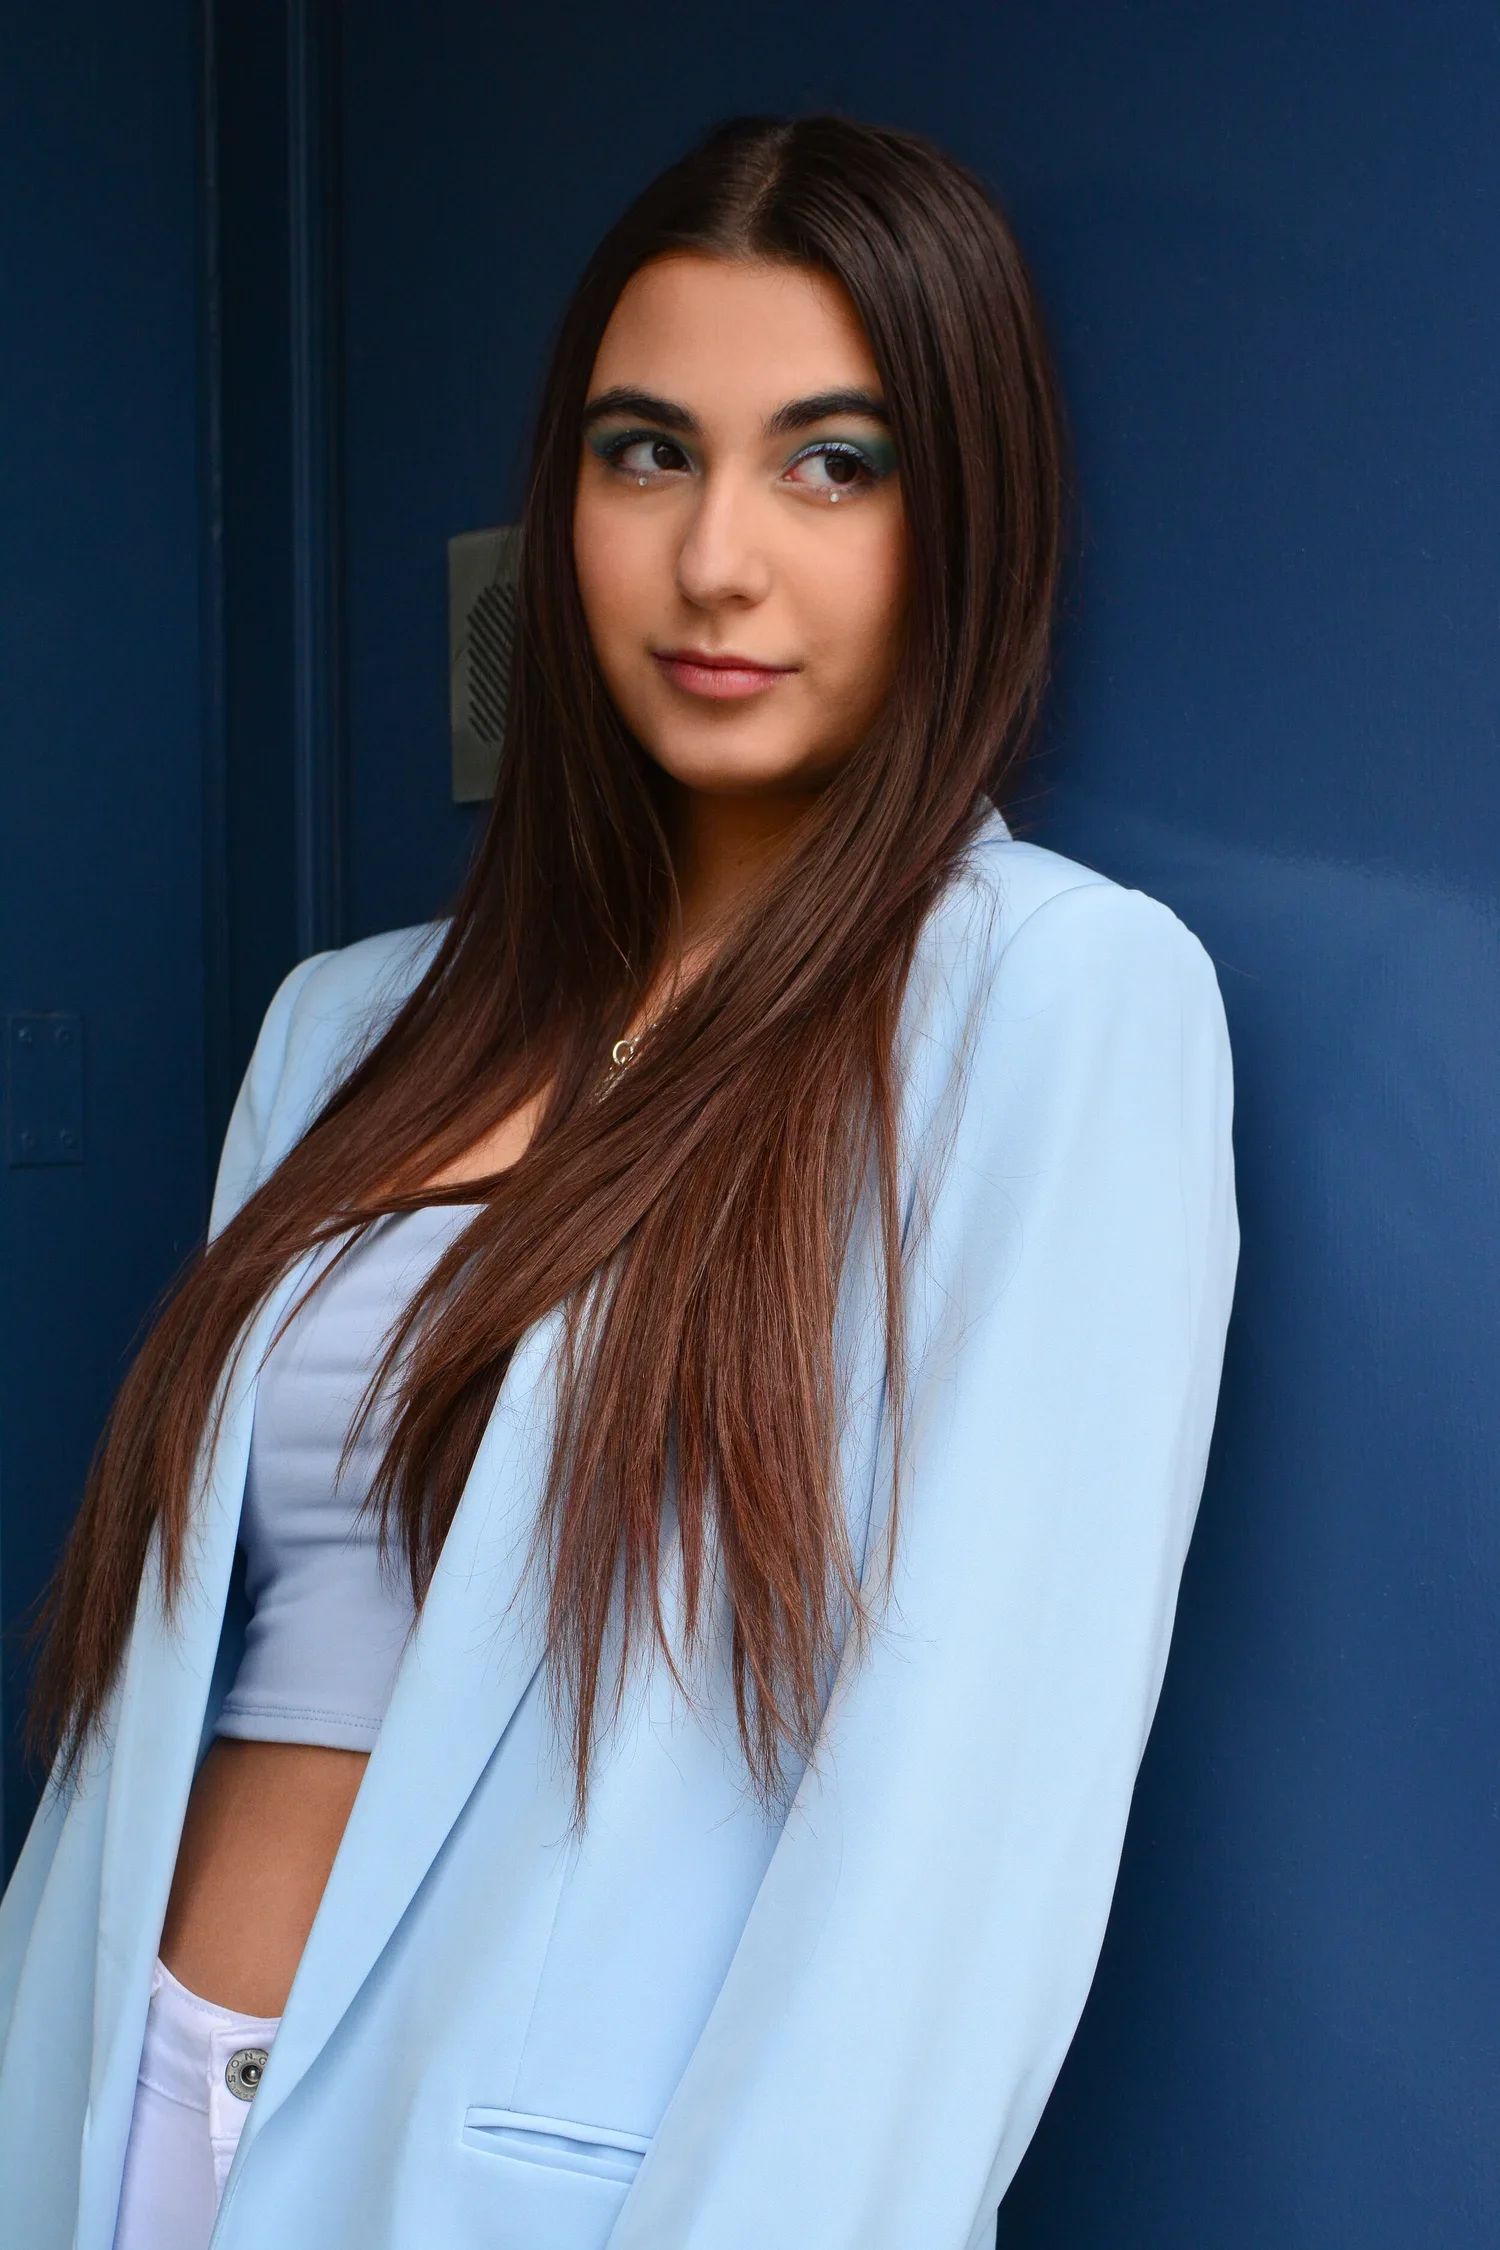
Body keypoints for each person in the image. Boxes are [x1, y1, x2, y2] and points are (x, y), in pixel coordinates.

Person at [0, 113, 1237, 2250]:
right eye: (645, 452)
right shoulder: (347, 1029)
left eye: (834, 464)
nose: (717, 559)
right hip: (117, 2116)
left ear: (970, 519)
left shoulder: (1057, 1005)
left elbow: (957, 1865)